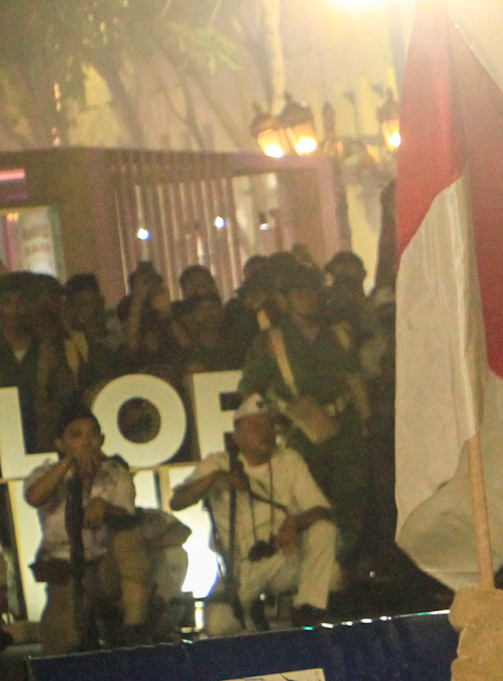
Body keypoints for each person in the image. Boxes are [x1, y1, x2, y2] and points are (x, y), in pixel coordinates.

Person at [237, 256, 370, 568]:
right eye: (299, 293)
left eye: (311, 291)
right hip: (300, 434)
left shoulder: (338, 332)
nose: (308, 299)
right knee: (308, 503)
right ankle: (320, 568)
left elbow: (354, 378)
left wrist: (366, 422)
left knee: (352, 499)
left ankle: (344, 564)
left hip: (343, 428)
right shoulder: (271, 341)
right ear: (284, 299)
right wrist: (278, 414)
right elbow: (250, 390)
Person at [172, 394, 339, 632]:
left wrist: (295, 523)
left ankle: (307, 613)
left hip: (282, 556)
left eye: (269, 425)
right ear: (237, 436)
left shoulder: (288, 460)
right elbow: (178, 501)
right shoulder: (218, 463)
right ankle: (252, 618)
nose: (266, 432)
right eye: (257, 426)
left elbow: (321, 511)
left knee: (325, 534)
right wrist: (218, 479)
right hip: (240, 570)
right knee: (219, 626)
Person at [23, 403, 147, 654]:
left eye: (92, 434)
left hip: (105, 567)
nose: (86, 442)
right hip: (66, 569)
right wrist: (68, 464)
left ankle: (135, 625)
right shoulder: (48, 473)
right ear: (61, 444)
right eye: (76, 435)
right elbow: (35, 497)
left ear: (101, 439)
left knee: (127, 537)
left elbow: (129, 517)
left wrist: (105, 508)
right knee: (63, 638)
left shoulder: (115, 473)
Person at [0, 272, 79, 454]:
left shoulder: (47, 348)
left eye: (20, 302)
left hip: (42, 441)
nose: (15, 309)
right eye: (7, 302)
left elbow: (65, 394)